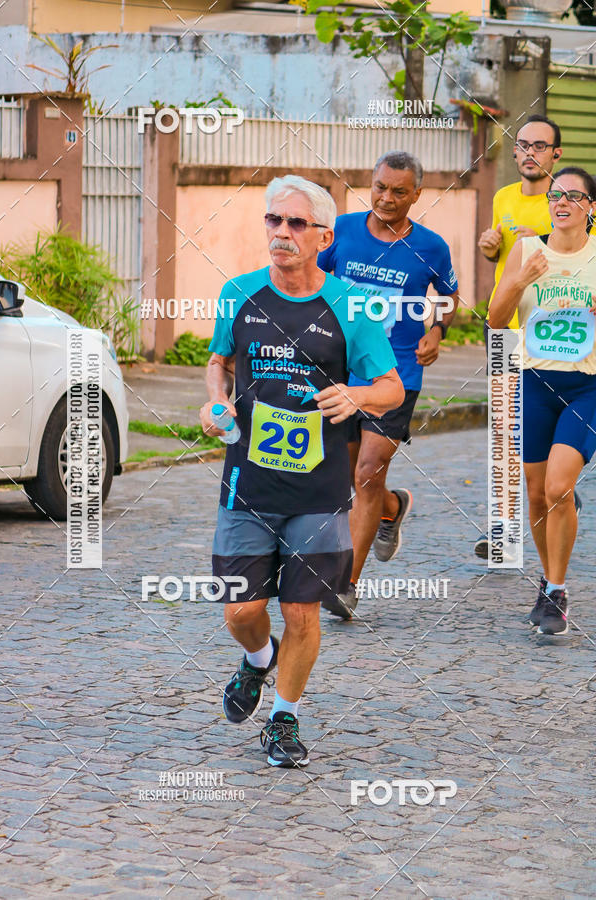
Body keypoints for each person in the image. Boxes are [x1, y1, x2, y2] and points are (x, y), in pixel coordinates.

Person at [200, 175, 403, 767]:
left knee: (301, 611)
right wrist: (216, 400)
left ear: (323, 235)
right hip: (249, 482)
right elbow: (219, 362)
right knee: (241, 609)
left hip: (318, 487)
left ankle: (283, 719)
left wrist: (359, 397)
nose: (281, 233)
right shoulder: (238, 293)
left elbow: (391, 387)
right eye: (273, 221)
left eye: (294, 223)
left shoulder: (350, 307)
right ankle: (258, 660)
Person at [318, 151, 459, 618]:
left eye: (399, 191)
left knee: (367, 473)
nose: (387, 198)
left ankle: (346, 585)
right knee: (348, 476)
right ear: (370, 184)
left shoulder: (432, 247)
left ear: (417, 194)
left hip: (396, 371)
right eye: (380, 187)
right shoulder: (342, 231)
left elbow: (450, 297)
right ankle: (393, 507)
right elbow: (312, 279)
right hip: (342, 367)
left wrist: (437, 329)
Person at [488, 166, 596, 635]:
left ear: (591, 207)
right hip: (535, 381)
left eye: (574, 195)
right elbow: (495, 319)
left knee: (557, 486)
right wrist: (518, 280)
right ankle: (549, 585)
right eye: (556, 194)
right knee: (535, 494)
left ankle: (556, 587)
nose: (562, 201)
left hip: (588, 385)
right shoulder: (528, 250)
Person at [475, 114, 584, 559]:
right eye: (523, 145)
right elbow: (499, 260)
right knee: (504, 434)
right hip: (506, 329)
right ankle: (503, 531)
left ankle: (558, 493)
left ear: (556, 154)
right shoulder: (503, 195)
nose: (530, 153)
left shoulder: (568, 201)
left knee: (540, 443)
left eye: (540, 146)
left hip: (557, 340)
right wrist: (490, 249)